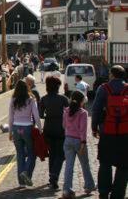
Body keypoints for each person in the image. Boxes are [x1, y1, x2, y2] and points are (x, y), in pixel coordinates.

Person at [91, 65, 127, 199]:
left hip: (107, 131)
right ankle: (118, 194)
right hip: (125, 132)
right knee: (124, 165)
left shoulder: (103, 88)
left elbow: (96, 110)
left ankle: (104, 192)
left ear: (111, 74)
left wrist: (94, 128)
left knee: (105, 163)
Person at [61, 91, 96, 198]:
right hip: (78, 141)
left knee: (69, 166)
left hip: (67, 140)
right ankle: (89, 186)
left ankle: (67, 190)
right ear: (81, 101)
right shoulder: (83, 113)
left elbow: (64, 126)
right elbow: (83, 130)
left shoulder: (66, 111)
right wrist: (83, 143)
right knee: (85, 164)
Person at [8, 80, 42, 187]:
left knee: (20, 154)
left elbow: (10, 117)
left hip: (16, 127)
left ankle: (21, 183)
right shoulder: (31, 100)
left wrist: (10, 131)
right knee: (32, 153)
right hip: (27, 127)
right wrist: (40, 128)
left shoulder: (13, 100)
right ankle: (26, 173)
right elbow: (36, 115)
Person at [39, 76, 69, 190]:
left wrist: (49, 115)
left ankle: (52, 179)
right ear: (58, 86)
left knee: (52, 154)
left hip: (48, 128)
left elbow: (41, 115)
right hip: (61, 129)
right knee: (61, 155)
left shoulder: (44, 99)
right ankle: (54, 177)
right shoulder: (63, 99)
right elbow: (69, 113)